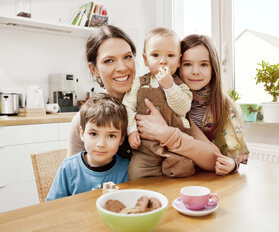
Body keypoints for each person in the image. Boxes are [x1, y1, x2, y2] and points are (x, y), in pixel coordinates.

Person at [67, 25, 220, 178]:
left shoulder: (166, 99)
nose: (121, 67)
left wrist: (166, 133)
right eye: (108, 61)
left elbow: (214, 159)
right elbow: (72, 178)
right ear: (93, 69)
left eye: (127, 57)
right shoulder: (86, 120)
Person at [123, 27, 194, 180]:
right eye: (155, 55)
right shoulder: (139, 84)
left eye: (170, 55)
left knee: (184, 171)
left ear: (179, 60)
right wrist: (131, 130)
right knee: (136, 175)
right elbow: (128, 107)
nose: (163, 60)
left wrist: (169, 86)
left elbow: (183, 108)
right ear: (145, 59)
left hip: (176, 146)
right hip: (145, 148)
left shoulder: (180, 85)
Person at [177, 34, 249, 174]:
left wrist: (231, 165)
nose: (195, 71)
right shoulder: (167, 97)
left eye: (203, 64)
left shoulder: (224, 105)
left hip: (209, 177)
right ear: (178, 66)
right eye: (187, 64)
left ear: (213, 68)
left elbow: (233, 157)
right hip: (175, 173)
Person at [46, 94, 129, 201]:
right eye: (94, 134)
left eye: (111, 136)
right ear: (82, 133)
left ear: (121, 139)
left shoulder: (127, 169)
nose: (101, 144)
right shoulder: (68, 168)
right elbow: (52, 206)